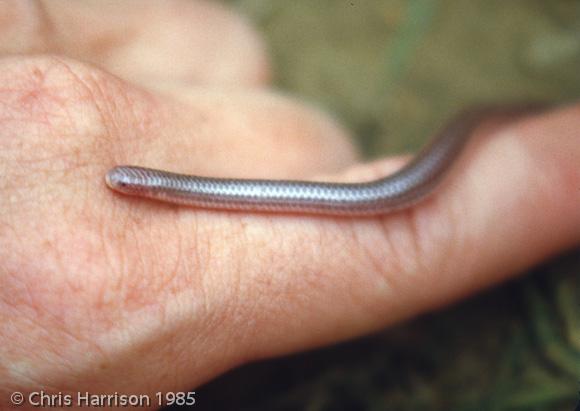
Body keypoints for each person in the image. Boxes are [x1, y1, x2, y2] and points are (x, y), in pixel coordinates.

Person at [0, 0, 578, 407]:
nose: (121, 188)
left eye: (128, 184)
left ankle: (508, 107)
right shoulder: (151, 188)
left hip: (412, 180)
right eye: (127, 187)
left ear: (148, 185)